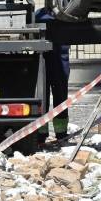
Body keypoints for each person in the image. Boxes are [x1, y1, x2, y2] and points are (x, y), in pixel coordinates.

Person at [35, 9, 71, 143]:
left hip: (46, 62)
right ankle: (60, 133)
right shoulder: (65, 15)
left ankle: (42, 133)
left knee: (42, 97)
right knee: (60, 97)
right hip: (58, 62)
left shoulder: (39, 15)